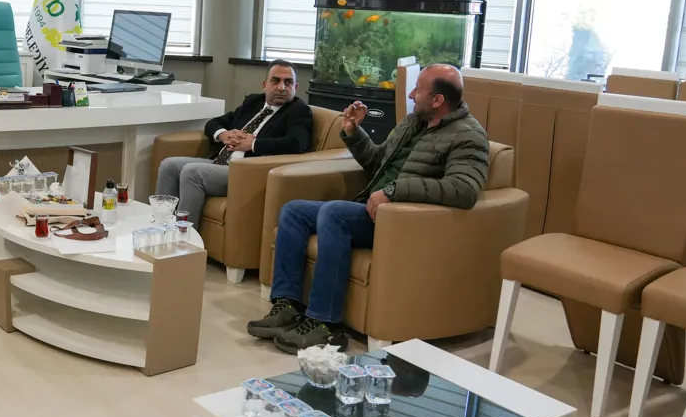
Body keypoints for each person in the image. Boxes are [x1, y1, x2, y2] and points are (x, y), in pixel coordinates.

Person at [249, 64, 490, 354]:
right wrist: (354, 133)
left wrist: (394, 191)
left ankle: (325, 324)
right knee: (293, 211)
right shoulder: (413, 122)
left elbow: (464, 190)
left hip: (401, 221)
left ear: (438, 100)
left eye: (418, 89)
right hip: (371, 210)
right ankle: (287, 305)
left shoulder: (469, 136)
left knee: (334, 213)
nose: (410, 95)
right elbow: (378, 162)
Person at [155, 59, 313, 226]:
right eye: (276, 81)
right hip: (221, 163)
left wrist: (253, 144)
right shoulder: (253, 102)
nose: (281, 87)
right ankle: (160, 226)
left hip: (248, 172)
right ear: (265, 85)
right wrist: (223, 134)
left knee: (192, 172)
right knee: (169, 165)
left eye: (288, 82)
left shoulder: (299, 110)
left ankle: (182, 235)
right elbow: (214, 123)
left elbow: (297, 143)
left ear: (295, 87)